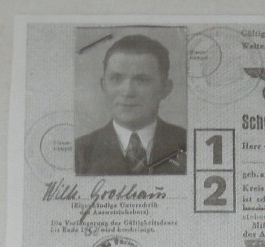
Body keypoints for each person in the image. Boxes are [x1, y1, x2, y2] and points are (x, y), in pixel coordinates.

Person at [75, 34, 187, 175]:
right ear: (103, 85)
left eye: (141, 80)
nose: (127, 92)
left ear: (165, 88)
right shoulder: (79, 153)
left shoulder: (189, 144)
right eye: (116, 79)